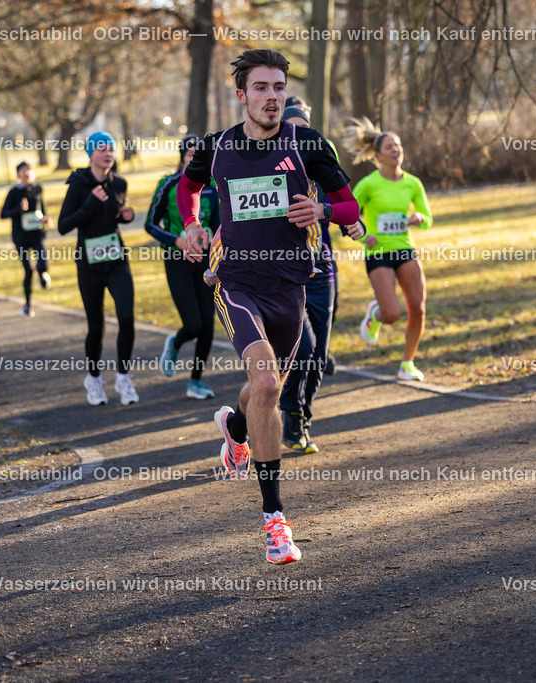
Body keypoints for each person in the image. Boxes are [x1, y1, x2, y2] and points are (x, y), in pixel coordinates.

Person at [177, 49, 359, 564]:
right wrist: (191, 225)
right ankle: (275, 521)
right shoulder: (217, 147)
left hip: (289, 287)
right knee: (265, 384)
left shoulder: (307, 144)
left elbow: (349, 206)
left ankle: (235, 430)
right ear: (242, 96)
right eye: (261, 88)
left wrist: (322, 208)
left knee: (266, 385)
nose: (272, 97)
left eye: (279, 87)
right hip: (235, 281)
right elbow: (186, 190)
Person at [275, 105, 364, 454]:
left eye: (306, 130)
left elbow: (345, 206)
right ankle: (291, 415)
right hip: (285, 272)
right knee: (304, 350)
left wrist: (354, 224)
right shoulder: (273, 172)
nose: (301, 138)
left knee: (319, 356)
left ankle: (302, 416)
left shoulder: (322, 167)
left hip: (321, 270)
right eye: (293, 130)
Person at [345, 117, 433, 382]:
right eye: (389, 147)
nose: (396, 151)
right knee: (392, 314)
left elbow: (427, 218)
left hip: (404, 248)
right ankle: (375, 313)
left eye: (398, 146)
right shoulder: (369, 184)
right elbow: (348, 214)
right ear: (378, 155)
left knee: (418, 309)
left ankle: (407, 363)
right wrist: (364, 236)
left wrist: (419, 218)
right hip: (378, 253)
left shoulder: (412, 183)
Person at [57, 132, 139, 406]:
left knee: (126, 317)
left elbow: (114, 215)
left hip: (116, 259)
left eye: (111, 149)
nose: (108, 153)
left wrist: (126, 216)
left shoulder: (120, 183)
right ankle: (93, 379)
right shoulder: (79, 185)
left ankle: (123, 378)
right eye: (102, 149)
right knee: (97, 326)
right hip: (89, 264)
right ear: (90, 154)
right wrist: (90, 203)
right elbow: (63, 226)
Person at [148, 134, 220, 400]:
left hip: (205, 260)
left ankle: (196, 382)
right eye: (189, 154)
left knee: (209, 326)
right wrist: (176, 240)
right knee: (193, 324)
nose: (193, 159)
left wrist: (213, 238)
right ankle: (175, 342)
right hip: (177, 260)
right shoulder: (168, 184)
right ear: (182, 156)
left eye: (198, 155)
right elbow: (150, 224)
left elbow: (219, 221)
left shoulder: (213, 186)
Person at [0, 161, 52, 317]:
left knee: (43, 264)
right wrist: (18, 210)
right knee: (28, 271)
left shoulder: (38, 188)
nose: (27, 173)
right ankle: (28, 303)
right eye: (23, 171)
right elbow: (3, 214)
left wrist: (46, 218)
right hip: (21, 237)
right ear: (18, 174)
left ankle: (41, 272)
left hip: (37, 234)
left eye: (29, 170)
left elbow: (42, 207)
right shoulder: (14, 192)